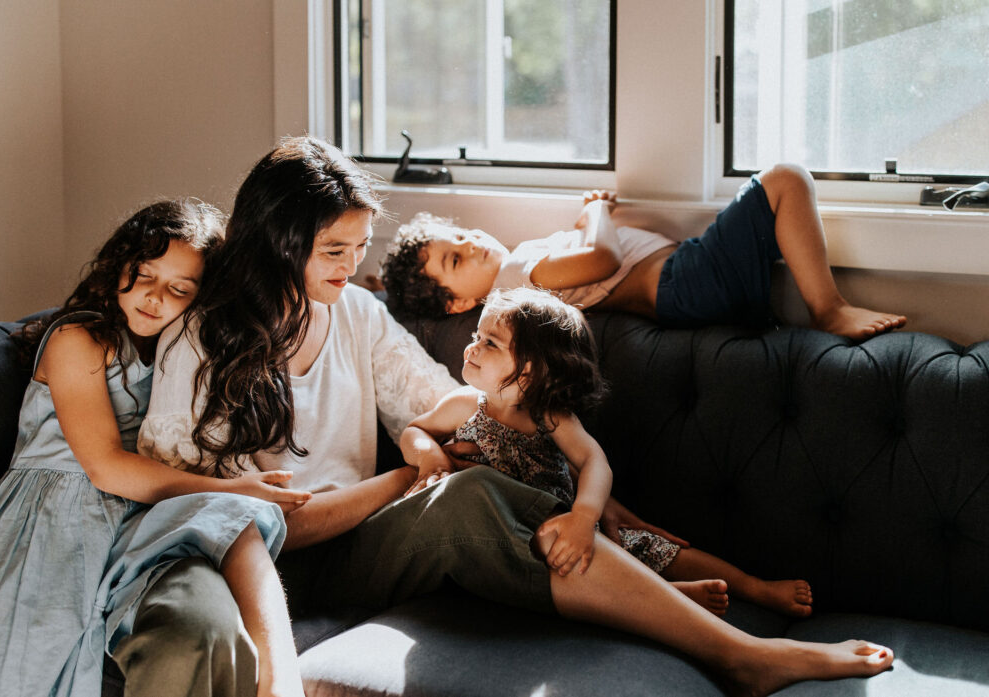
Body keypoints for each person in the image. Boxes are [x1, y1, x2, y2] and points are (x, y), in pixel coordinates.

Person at [135, 137, 893, 697]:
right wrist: (404, 473)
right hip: (261, 560)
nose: (348, 265)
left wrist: (512, 402)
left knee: (477, 495)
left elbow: (442, 398)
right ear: (278, 242)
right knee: (456, 498)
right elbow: (248, 522)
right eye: (333, 249)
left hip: (358, 546)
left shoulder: (356, 313)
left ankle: (732, 649)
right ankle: (726, 642)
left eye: (358, 248)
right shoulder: (202, 338)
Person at [0, 200, 309, 697]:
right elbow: (104, 466)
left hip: (131, 508)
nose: (153, 297)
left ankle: (278, 672)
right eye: (144, 275)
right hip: (54, 509)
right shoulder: (78, 338)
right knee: (28, 661)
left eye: (178, 289)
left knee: (231, 536)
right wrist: (226, 488)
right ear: (119, 265)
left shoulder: (176, 351)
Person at [401, 287, 814, 618]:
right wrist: (431, 457)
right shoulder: (463, 404)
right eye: (476, 337)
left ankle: (754, 587)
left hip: (570, 527)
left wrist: (584, 516)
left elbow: (592, 461)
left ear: (531, 371)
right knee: (559, 569)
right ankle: (670, 597)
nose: (471, 348)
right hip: (511, 539)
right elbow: (414, 430)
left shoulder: (550, 416)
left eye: (488, 342)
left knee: (655, 548)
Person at [380, 164, 907, 340]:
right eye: (455, 260)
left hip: (688, 290)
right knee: (786, 179)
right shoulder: (519, 277)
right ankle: (829, 308)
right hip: (684, 283)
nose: (472, 247)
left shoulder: (521, 271)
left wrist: (375, 286)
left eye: (464, 237)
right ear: (456, 306)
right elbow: (602, 258)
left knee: (777, 207)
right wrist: (595, 212)